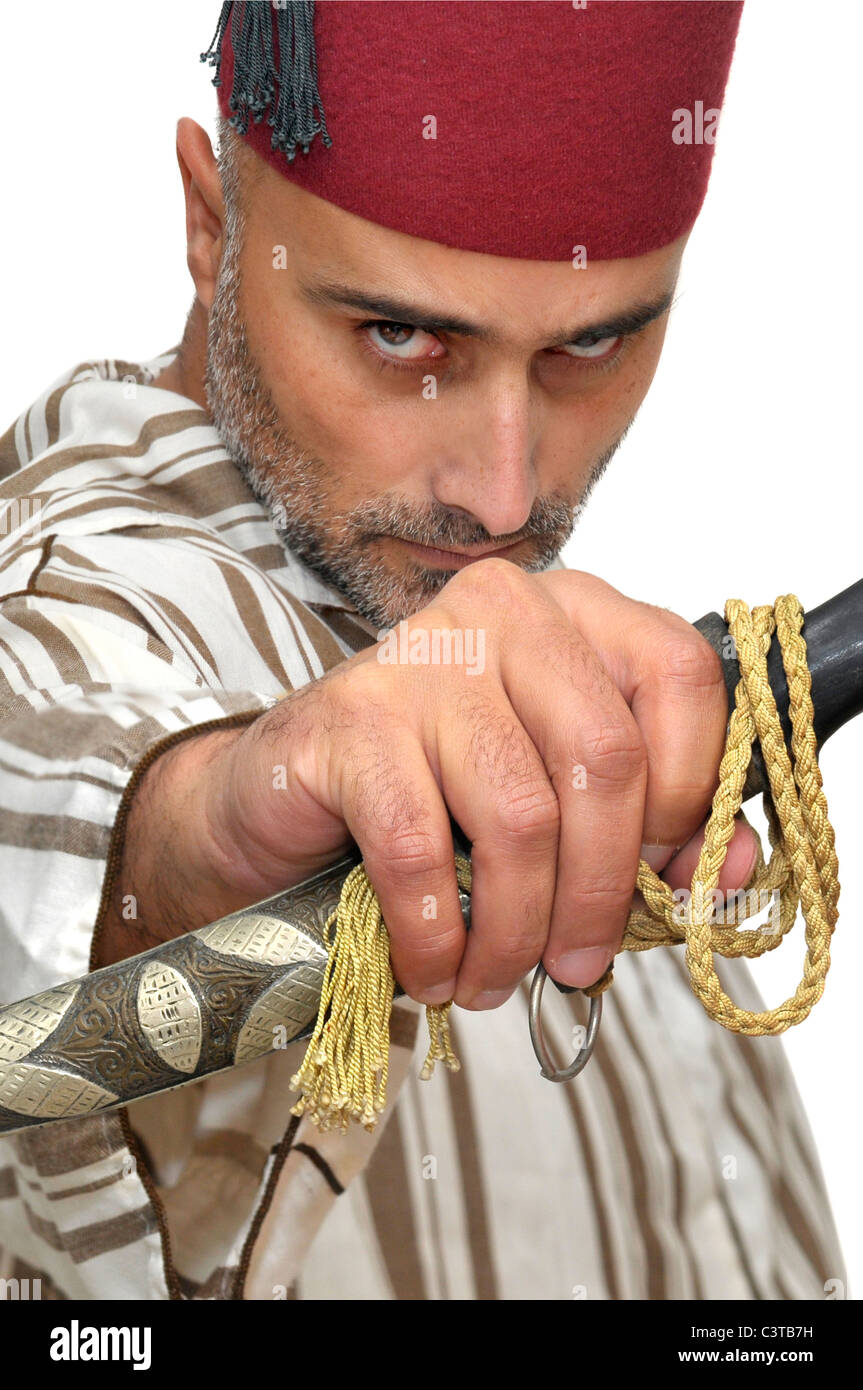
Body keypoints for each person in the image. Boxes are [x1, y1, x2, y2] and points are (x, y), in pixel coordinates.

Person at [0, 0, 846, 1300]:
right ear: (213, 224)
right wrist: (197, 851)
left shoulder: (586, 715)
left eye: (592, 343)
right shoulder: (60, 598)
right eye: (401, 336)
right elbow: (61, 788)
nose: (505, 497)